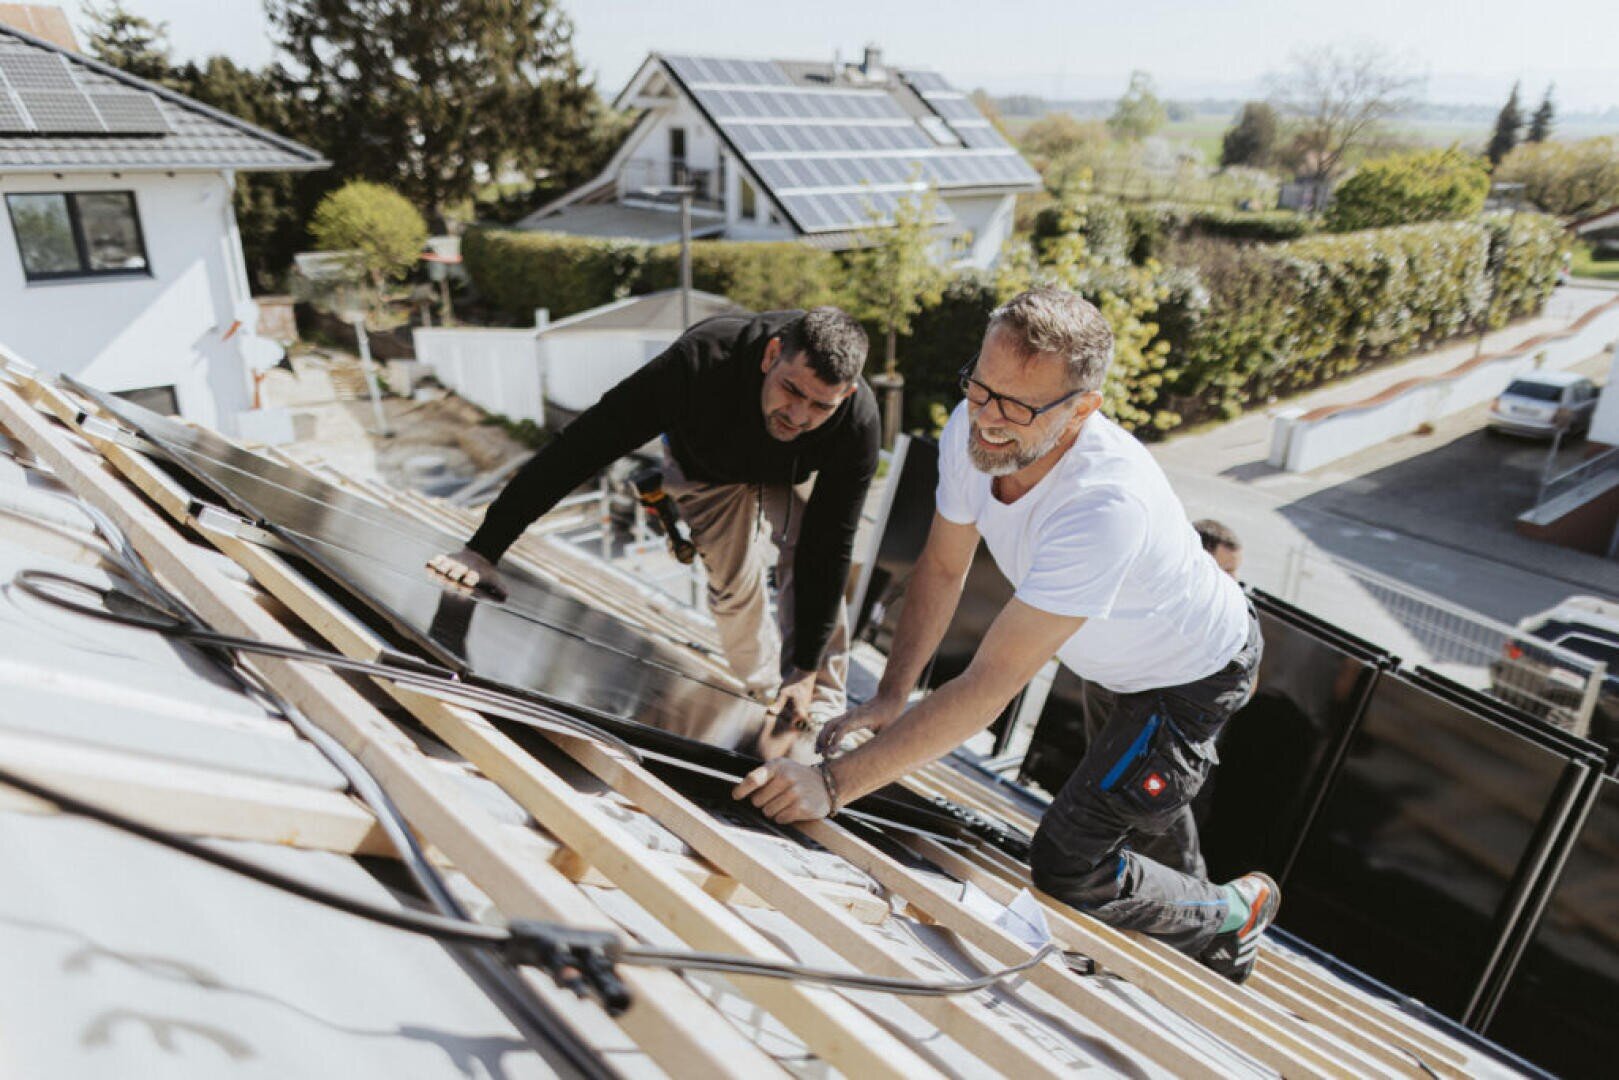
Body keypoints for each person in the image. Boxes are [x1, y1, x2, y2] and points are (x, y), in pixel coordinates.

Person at [733, 287, 1278, 982]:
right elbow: (941, 566)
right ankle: (1213, 931)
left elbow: (989, 685)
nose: (988, 420)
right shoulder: (973, 428)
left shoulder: (1103, 506)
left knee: (1071, 860)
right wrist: (890, 696)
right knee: (1144, 819)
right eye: (982, 388)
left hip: (1188, 680)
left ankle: (1236, 911)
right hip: (1119, 660)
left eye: (1018, 407)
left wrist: (832, 784)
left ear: (1083, 407)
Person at [429, 307, 879, 739]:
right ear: (770, 355)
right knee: (734, 585)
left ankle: (813, 698)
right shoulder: (701, 361)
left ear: (847, 395)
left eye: (820, 406)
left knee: (814, 564)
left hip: (785, 473)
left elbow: (831, 542)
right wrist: (483, 549)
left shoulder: (856, 422)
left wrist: (803, 670)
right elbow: (583, 446)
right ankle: (764, 689)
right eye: (792, 391)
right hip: (711, 471)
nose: (799, 416)